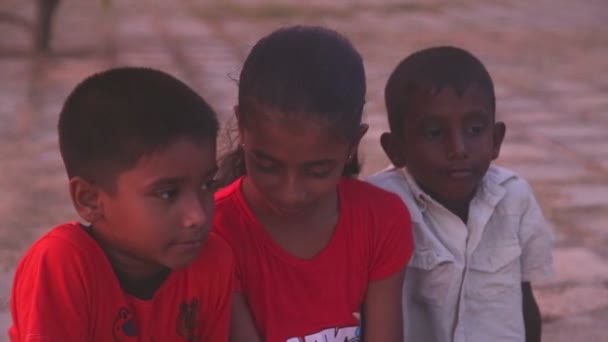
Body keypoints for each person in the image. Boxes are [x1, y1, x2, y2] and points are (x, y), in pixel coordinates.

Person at [213, 26, 414, 342]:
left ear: (352, 145)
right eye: (267, 166)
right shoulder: (216, 230)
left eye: (317, 171)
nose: (290, 193)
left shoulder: (382, 219)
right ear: (241, 126)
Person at [9, 67, 235, 341]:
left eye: (207, 185)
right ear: (89, 200)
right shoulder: (63, 263)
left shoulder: (212, 261)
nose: (197, 216)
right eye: (167, 194)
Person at [368, 46, 555, 342]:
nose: (458, 149)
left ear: (495, 140)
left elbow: (524, 299)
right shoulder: (381, 206)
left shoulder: (514, 198)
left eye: (475, 129)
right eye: (434, 133)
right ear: (395, 149)